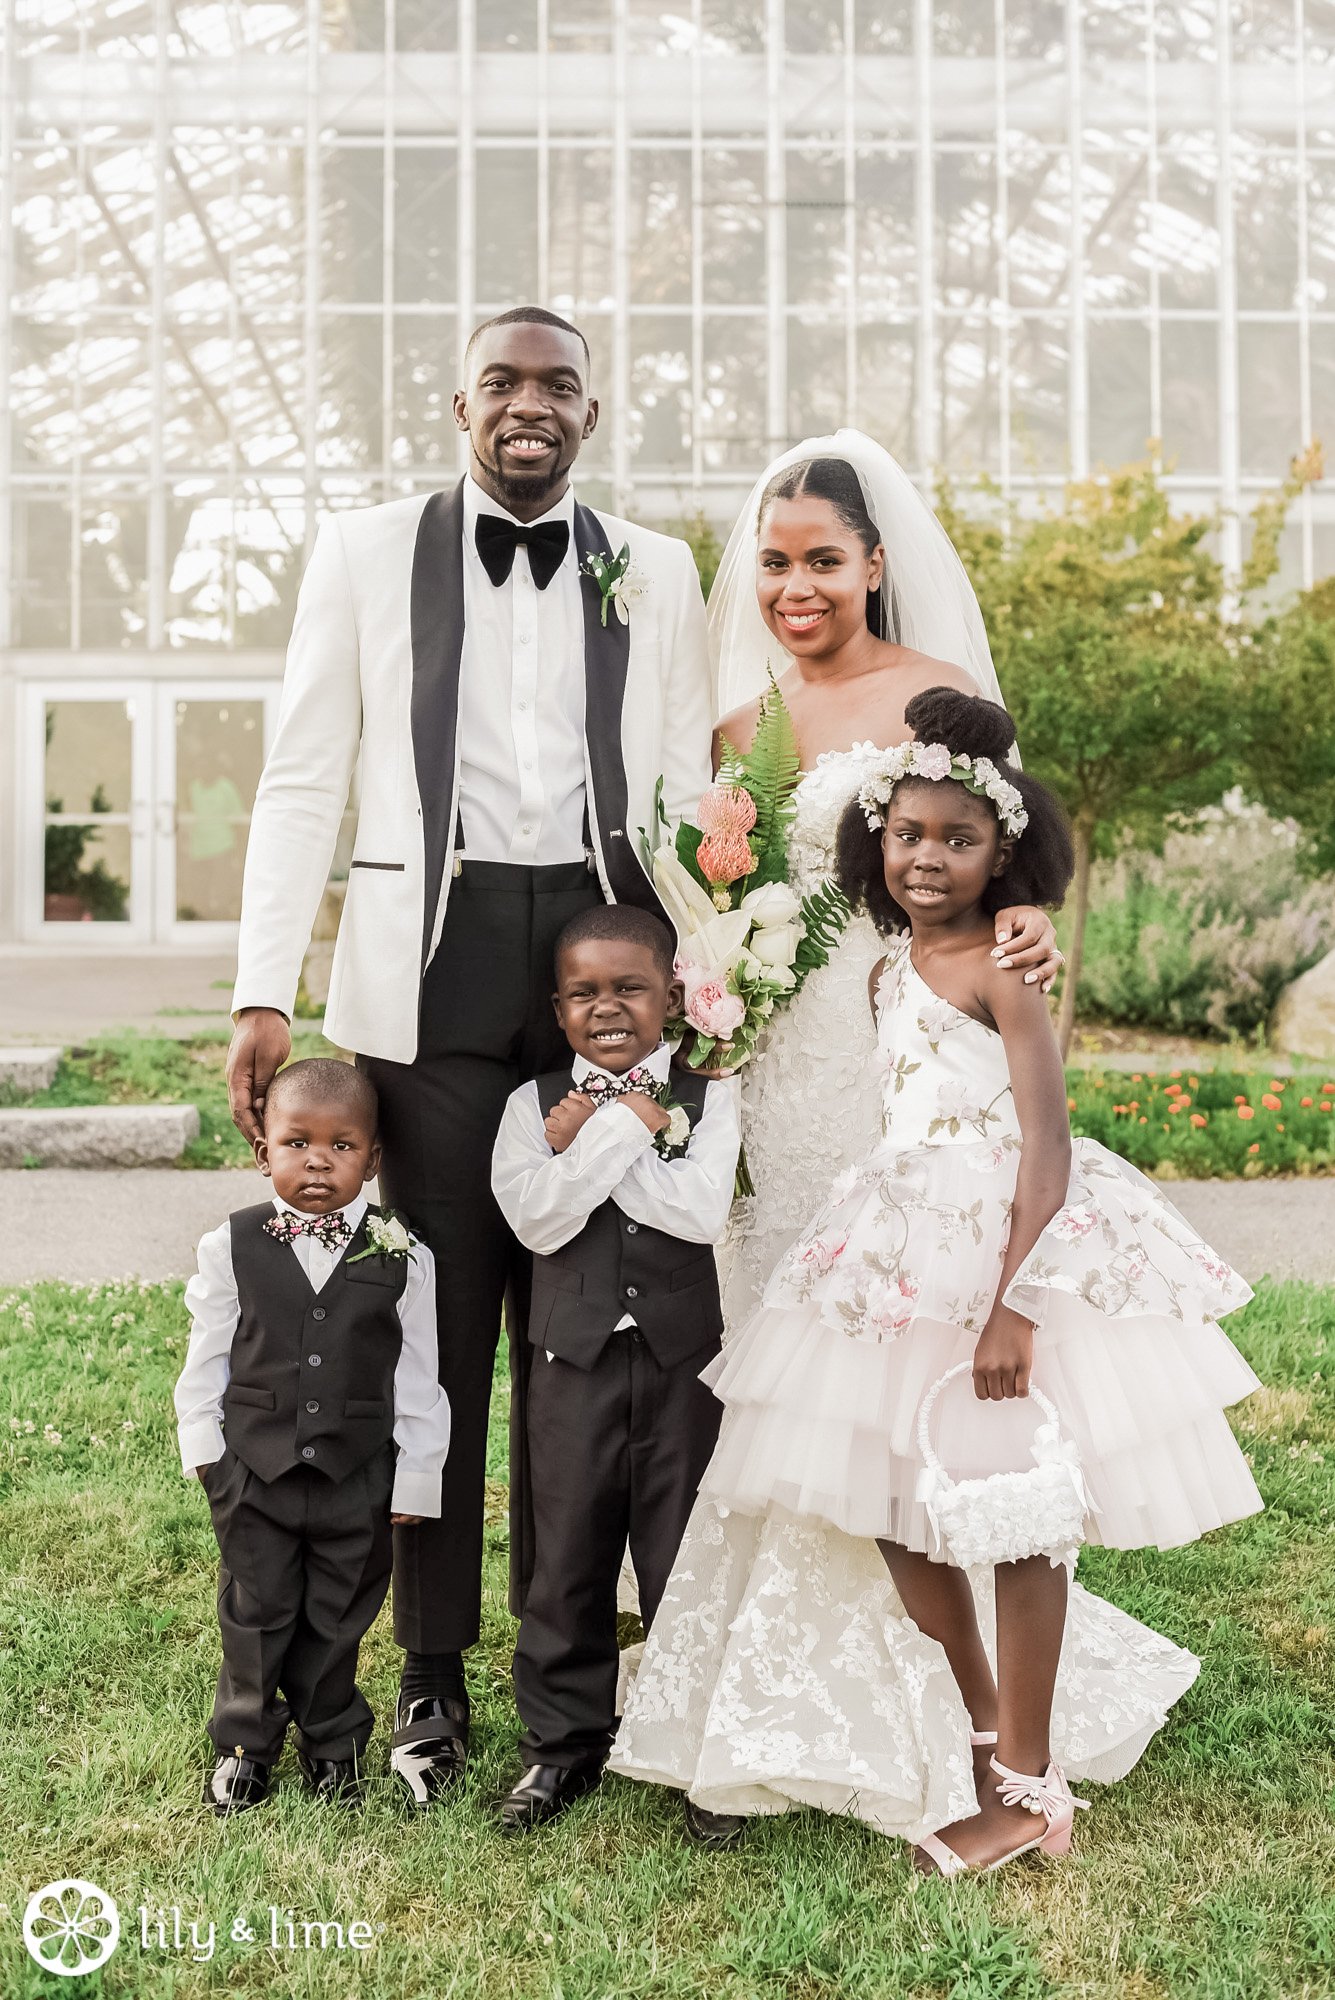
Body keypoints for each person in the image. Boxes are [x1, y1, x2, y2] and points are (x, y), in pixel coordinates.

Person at [612, 688, 1263, 1869]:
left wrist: (1016, 1304)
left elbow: (1048, 1142)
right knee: (891, 1507)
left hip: (1003, 1248)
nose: (927, 857)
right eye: (907, 834)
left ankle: (1031, 1789)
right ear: (876, 838)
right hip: (898, 1253)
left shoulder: (1005, 967)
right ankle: (983, 1725)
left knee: (1019, 1513)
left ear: (1002, 852)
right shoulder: (890, 967)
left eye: (959, 839)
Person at [223, 306, 713, 1803]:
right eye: (502, 380)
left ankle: (574, 1675)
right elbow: (303, 773)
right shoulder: (365, 550)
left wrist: (705, 972)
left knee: (576, 1344)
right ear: (459, 403)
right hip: (425, 982)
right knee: (434, 1334)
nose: (528, 404)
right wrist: (262, 989)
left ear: (590, 414)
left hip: (603, 970)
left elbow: (685, 778)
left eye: (557, 384)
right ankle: (430, 1681)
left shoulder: (658, 566)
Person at [705, 434, 1063, 1328]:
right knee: (778, 1265)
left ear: (873, 565)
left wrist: (1025, 913)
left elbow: (996, 841)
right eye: (775, 564)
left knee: (904, 1268)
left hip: (907, 1034)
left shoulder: (937, 697)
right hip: (775, 1051)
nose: (795, 588)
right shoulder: (736, 730)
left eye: (823, 561)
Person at [491, 906, 740, 1832]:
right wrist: (624, 1127)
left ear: (669, 996)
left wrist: (594, 1141)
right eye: (583, 992)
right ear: (557, 1008)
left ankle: (695, 1751)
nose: (606, 1007)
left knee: (682, 1553)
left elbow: (698, 1213)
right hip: (573, 1361)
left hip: (684, 1364)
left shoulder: (711, 1094)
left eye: (629, 988)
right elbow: (538, 1220)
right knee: (566, 1555)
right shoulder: (528, 1106)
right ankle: (561, 1747)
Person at [174, 1059, 452, 1816]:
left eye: (342, 1145)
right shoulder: (230, 1245)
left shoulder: (403, 1253)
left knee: (339, 1614)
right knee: (255, 1611)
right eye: (297, 1143)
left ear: (374, 1158)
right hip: (253, 1468)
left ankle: (333, 1746)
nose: (319, 1161)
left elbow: (418, 1372)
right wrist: (207, 1453)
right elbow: (209, 1353)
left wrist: (417, 1473)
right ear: (263, 1151)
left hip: (356, 1471)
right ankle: (244, 1747)